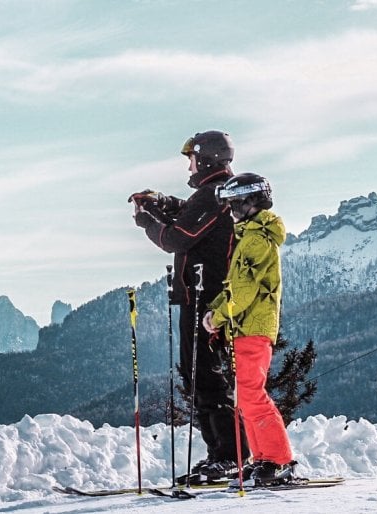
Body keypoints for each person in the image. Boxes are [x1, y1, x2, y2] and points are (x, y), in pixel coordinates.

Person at [130, 130, 244, 483]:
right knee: (198, 374)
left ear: (206, 158)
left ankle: (229, 455)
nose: (189, 164)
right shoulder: (212, 193)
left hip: (205, 300)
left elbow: (177, 237)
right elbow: (187, 214)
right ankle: (222, 453)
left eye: (191, 157)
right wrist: (162, 202)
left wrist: (146, 220)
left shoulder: (213, 194)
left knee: (205, 376)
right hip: (200, 297)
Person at [202, 172, 295, 486]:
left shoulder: (257, 239)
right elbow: (234, 285)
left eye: (235, 204)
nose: (231, 211)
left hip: (253, 327)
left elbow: (243, 289)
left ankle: (279, 460)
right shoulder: (250, 236)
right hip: (244, 328)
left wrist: (219, 315)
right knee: (246, 397)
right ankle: (263, 459)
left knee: (253, 395)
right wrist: (215, 309)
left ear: (251, 201)